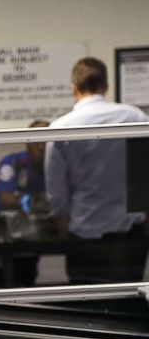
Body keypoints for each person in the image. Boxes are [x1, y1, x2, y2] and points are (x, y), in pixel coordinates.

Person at [45, 56, 149, 284]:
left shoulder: (61, 127)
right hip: (129, 233)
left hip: (84, 233)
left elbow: (56, 188)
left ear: (74, 89)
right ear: (106, 87)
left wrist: (63, 221)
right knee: (129, 304)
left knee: (87, 304)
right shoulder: (135, 117)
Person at [0, 120, 50, 286]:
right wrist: (30, 200)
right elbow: (5, 198)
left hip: (27, 223)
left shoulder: (56, 167)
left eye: (47, 142)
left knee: (26, 268)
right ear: (28, 144)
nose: (42, 147)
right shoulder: (12, 162)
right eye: (37, 142)